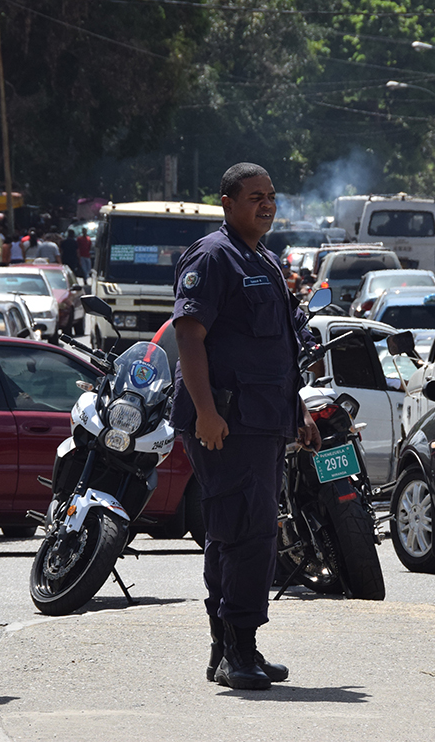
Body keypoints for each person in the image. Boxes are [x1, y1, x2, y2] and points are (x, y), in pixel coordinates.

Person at [171, 162, 319, 691]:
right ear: (227, 202)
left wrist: (297, 407)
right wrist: (207, 412)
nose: (266, 204)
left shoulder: (267, 260)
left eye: (271, 196)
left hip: (264, 420)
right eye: (254, 196)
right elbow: (188, 337)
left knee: (240, 532)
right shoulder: (214, 256)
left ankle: (228, 648)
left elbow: (278, 349)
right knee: (246, 533)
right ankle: (240, 649)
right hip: (227, 422)